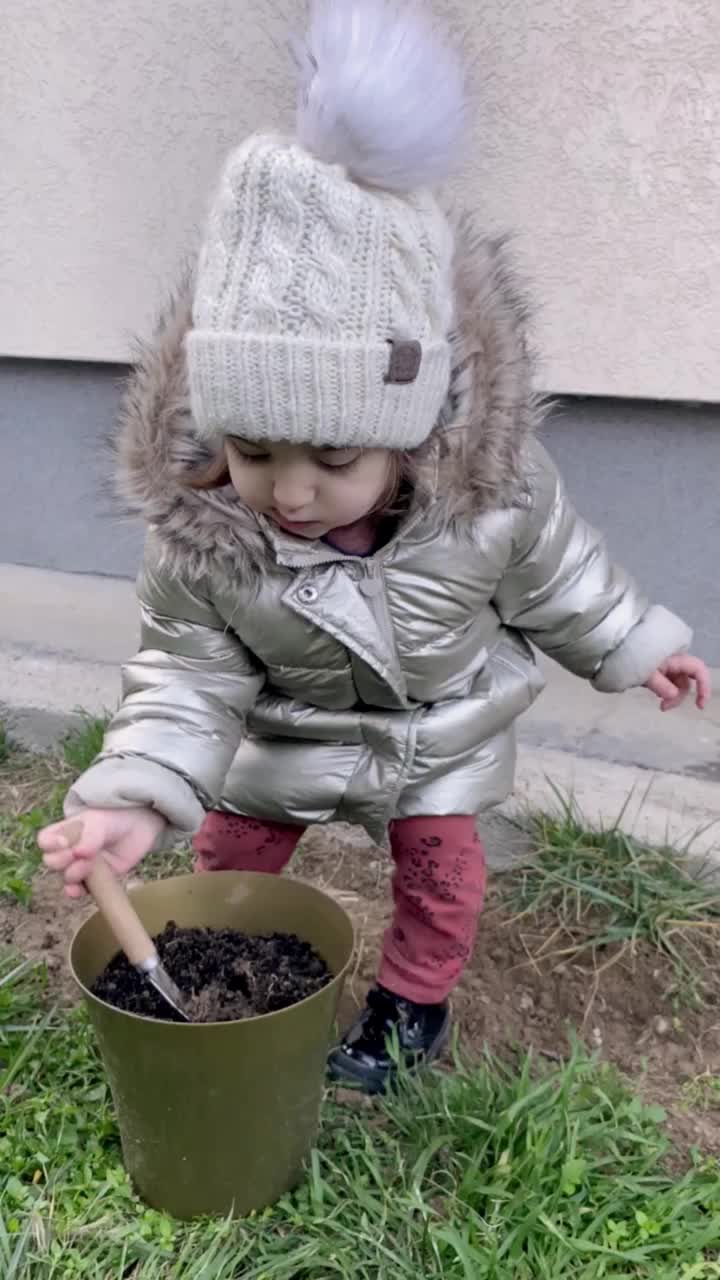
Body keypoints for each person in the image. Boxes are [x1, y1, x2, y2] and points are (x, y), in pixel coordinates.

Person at [39, 0, 711, 1094]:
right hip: (281, 737)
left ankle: (411, 1009)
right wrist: (135, 788)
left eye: (333, 456)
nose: (289, 492)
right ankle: (232, 972)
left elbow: (565, 579)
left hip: (435, 736)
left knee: (445, 874)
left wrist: (638, 644)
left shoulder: (491, 499)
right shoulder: (208, 537)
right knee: (230, 857)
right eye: (252, 450)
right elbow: (186, 675)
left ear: (409, 427)